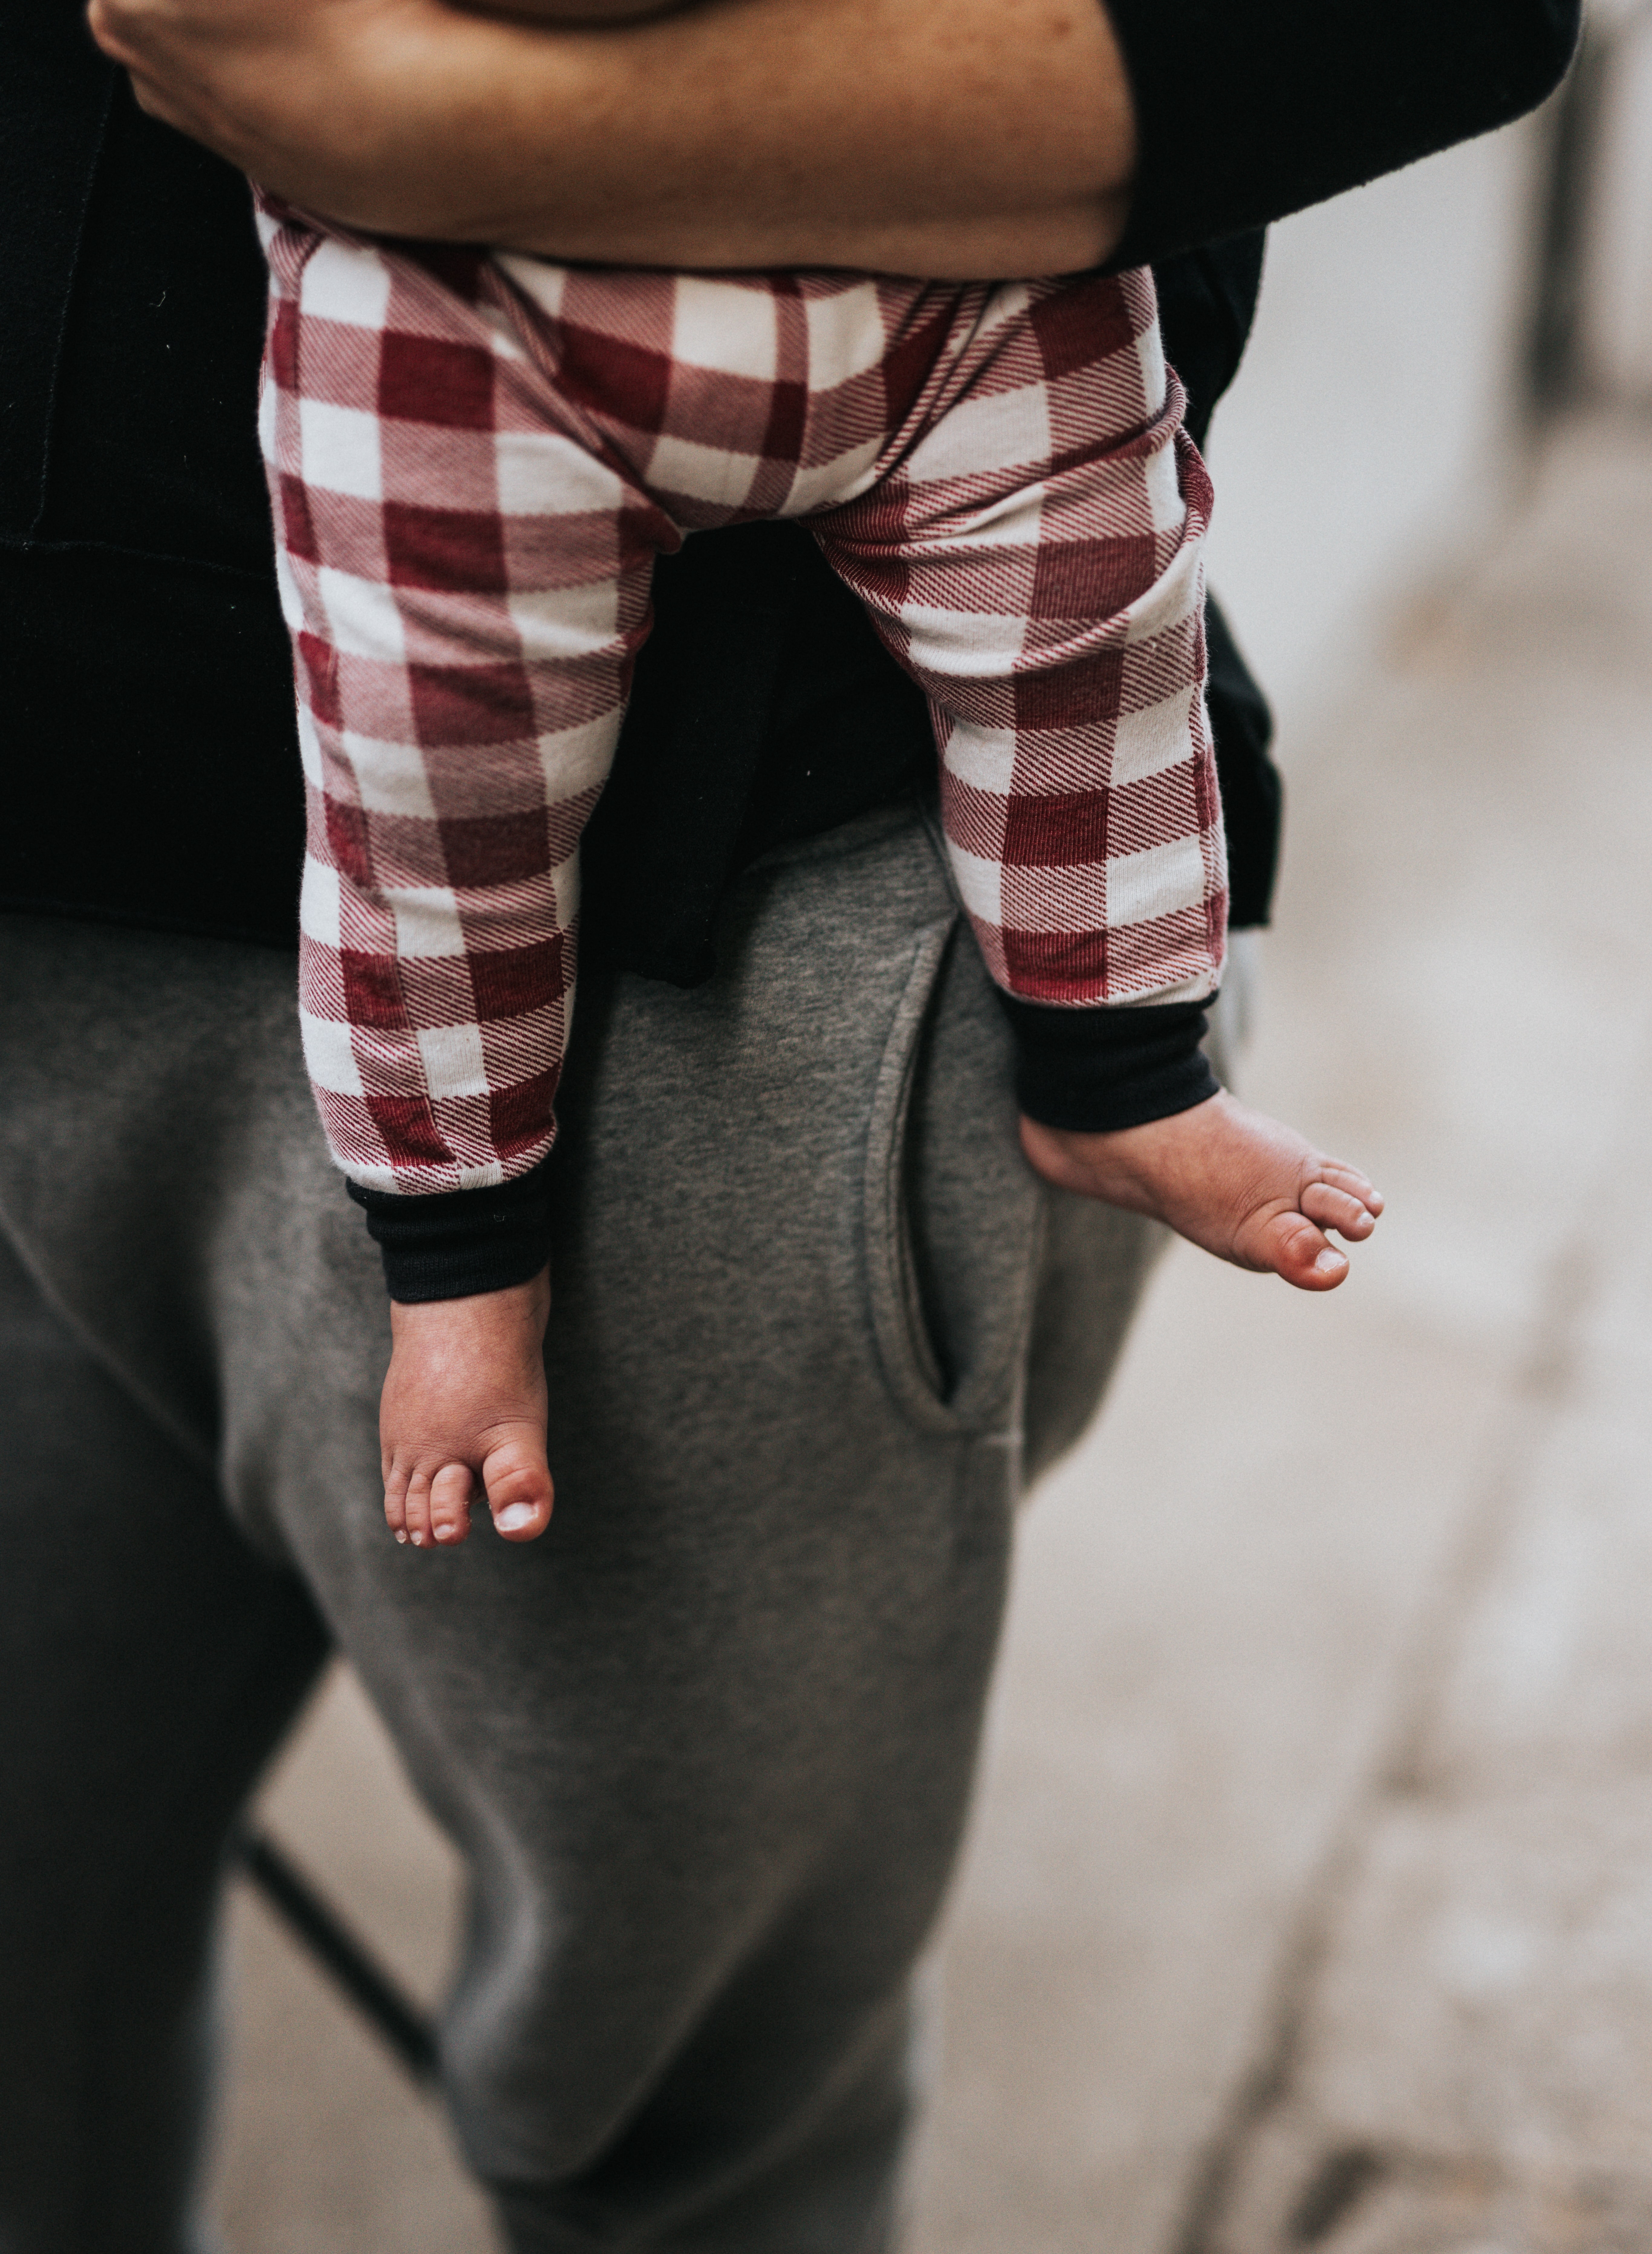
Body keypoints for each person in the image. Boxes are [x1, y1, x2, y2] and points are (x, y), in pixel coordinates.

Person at [0, 0, 1578, 2254]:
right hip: (105, 737)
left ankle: (1113, 1060)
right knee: (30, 1865)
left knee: (674, 2106)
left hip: (762, 906)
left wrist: (470, 118)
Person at [254, 186, 1382, 1553]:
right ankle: (460, 1264)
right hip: (481, 282)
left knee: (1088, 628)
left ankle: (1117, 1072)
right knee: (443, 799)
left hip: (937, 235)